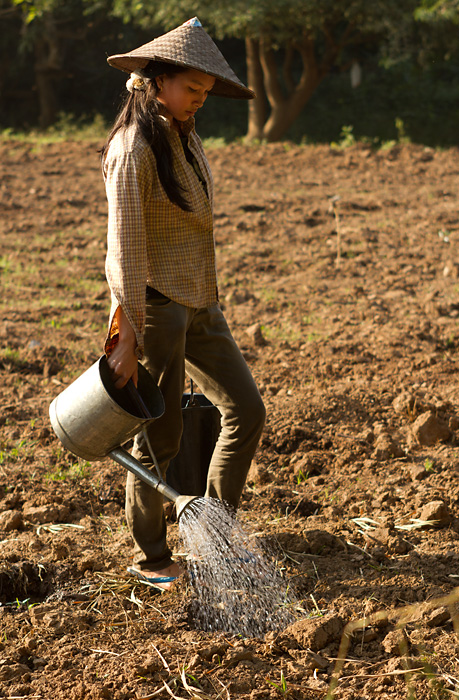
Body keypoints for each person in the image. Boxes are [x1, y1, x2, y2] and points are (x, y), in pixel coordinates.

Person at [101, 18, 266, 591]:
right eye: (193, 88)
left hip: (201, 304)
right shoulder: (133, 148)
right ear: (158, 79)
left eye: (205, 92)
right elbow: (125, 247)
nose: (201, 99)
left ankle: (214, 533)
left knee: (247, 410)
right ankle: (152, 556)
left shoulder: (183, 134)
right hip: (156, 310)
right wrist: (127, 336)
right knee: (159, 440)